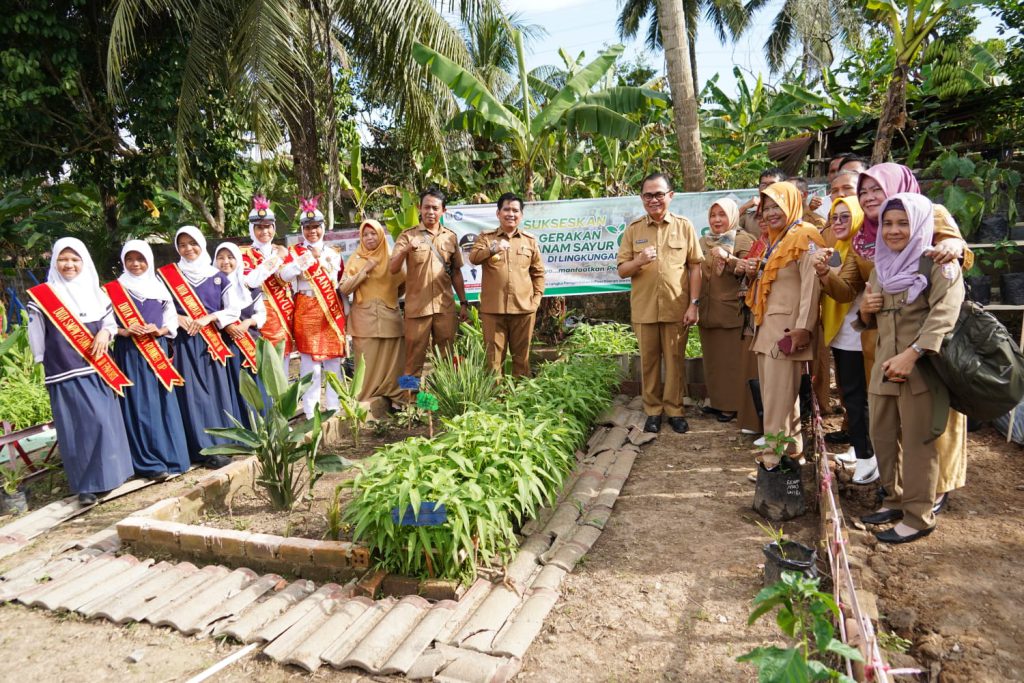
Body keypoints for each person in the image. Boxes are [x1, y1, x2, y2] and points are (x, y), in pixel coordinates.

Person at [816, 163, 972, 512]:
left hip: (930, 342)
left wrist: (953, 246)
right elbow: (848, 290)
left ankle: (938, 487)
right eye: (864, 192)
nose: (869, 197)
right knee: (896, 425)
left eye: (876, 190)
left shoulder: (928, 212)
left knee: (935, 421)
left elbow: (957, 255)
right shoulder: (862, 236)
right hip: (882, 343)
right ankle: (901, 491)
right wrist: (827, 276)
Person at [857, 194, 964, 543]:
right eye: (888, 223)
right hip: (884, 365)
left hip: (919, 369)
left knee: (919, 443)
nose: (894, 230)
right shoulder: (881, 267)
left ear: (919, 223)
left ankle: (919, 516)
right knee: (883, 436)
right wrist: (865, 310)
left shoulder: (938, 263)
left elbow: (945, 313)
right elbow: (869, 319)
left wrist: (914, 353)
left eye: (903, 222)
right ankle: (895, 498)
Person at [27, 238, 135, 504]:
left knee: (104, 420)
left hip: (98, 366)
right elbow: (36, 335)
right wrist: (43, 362)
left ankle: (114, 475)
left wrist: (105, 333)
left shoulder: (96, 292)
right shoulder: (43, 296)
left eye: (75, 259)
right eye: (63, 259)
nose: (69, 265)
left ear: (83, 262)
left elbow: (110, 322)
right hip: (64, 371)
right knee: (78, 428)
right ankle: (86, 485)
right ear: (54, 262)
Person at [738, 182, 824, 466]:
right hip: (769, 329)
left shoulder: (804, 236)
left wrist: (803, 329)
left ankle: (771, 460)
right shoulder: (777, 239)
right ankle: (793, 453)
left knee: (776, 400)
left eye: (778, 206)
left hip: (787, 332)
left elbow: (811, 287)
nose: (771, 212)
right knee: (782, 397)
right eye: (767, 207)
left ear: (792, 204)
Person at [617, 173, 703, 434]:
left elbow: (695, 267)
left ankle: (675, 410)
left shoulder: (684, 226)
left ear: (670, 196)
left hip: (677, 308)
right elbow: (622, 270)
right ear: (642, 198)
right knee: (649, 362)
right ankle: (653, 411)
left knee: (676, 360)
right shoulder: (633, 229)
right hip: (644, 308)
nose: (653, 200)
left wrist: (694, 304)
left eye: (658, 194)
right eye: (648, 195)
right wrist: (639, 260)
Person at [105, 240, 190, 481]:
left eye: (140, 259)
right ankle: (149, 463)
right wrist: (124, 330)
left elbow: (171, 320)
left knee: (164, 401)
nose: (135, 264)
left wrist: (159, 331)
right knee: (140, 404)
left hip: (157, 350)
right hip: (129, 352)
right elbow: (107, 324)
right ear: (123, 261)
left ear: (149, 260)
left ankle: (173, 457)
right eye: (130, 259)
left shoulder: (159, 287)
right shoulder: (113, 289)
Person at [158, 226, 238, 469]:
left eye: (192, 243)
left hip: (210, 342)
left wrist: (209, 318)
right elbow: (159, 305)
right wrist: (176, 318)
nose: (188, 248)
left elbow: (232, 310)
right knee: (190, 394)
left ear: (202, 244)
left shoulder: (217, 276)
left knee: (214, 392)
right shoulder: (166, 276)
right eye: (182, 245)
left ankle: (221, 445)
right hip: (182, 343)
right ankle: (197, 447)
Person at [815, 198, 876, 482]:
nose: (838, 223)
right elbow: (841, 291)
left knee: (859, 397)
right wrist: (825, 273)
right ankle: (861, 450)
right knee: (851, 395)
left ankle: (866, 455)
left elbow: (850, 293)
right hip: (842, 333)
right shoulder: (842, 247)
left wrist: (826, 274)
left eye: (844, 217)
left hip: (859, 335)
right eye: (834, 217)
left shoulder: (865, 249)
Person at [279, 197, 347, 419]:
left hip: (330, 310)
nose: (312, 232)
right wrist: (306, 261)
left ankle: (335, 408)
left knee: (333, 363)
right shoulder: (294, 252)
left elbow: (339, 284)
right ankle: (311, 412)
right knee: (310, 366)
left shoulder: (334, 254)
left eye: (316, 227)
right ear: (302, 230)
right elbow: (284, 275)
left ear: (323, 228)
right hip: (306, 309)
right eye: (307, 228)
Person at [389, 189, 469, 377]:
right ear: (419, 208)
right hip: (417, 310)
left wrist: (464, 303)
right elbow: (393, 268)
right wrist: (406, 249)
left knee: (447, 357)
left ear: (443, 211)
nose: (430, 212)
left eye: (435, 208)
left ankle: (444, 400)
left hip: (445, 308)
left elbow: (456, 272)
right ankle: (409, 400)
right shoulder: (407, 236)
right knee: (412, 359)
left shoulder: (450, 237)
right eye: (426, 207)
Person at [469, 192, 546, 377]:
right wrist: (494, 247)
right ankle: (496, 400)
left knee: (522, 359)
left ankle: (521, 399)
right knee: (493, 361)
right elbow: (474, 258)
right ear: (498, 213)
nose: (510, 214)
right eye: (506, 209)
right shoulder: (486, 238)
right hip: (493, 310)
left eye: (515, 210)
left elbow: (538, 273)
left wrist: (535, 301)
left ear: (521, 215)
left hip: (523, 309)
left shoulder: (530, 241)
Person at [697, 198, 754, 423]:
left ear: (732, 216)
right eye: (713, 215)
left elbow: (750, 271)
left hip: (732, 312)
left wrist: (727, 258)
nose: (717, 220)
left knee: (732, 362)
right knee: (713, 361)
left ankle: (733, 405)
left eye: (722, 214)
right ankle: (718, 401)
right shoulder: (703, 241)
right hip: (707, 311)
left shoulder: (743, 239)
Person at [339, 219, 406, 404]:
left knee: (394, 362)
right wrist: (365, 271)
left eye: (373, 233)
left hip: (390, 317)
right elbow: (344, 289)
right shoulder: (356, 258)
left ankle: (398, 398)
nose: (369, 237)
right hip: (364, 320)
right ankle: (365, 401)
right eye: (365, 234)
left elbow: (403, 285)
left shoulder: (392, 257)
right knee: (366, 364)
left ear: (381, 235)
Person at [216, 242, 269, 422]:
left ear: (238, 259)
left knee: (256, 384)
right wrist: (226, 325)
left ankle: (264, 425)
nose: (226, 262)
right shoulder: (211, 287)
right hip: (225, 346)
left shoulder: (249, 285)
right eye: (220, 257)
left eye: (230, 257)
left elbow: (261, 314)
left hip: (250, 342)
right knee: (234, 386)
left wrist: (247, 322)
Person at [241, 195, 293, 359]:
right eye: (259, 227)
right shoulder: (244, 254)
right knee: (260, 361)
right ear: (252, 229)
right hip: (258, 312)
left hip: (283, 311)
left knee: (283, 361)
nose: (265, 231)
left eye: (268, 227)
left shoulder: (283, 251)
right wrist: (277, 258)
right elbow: (251, 281)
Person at [739, 168, 787, 237]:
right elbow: (728, 226)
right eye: (764, 185)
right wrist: (744, 207)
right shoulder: (749, 217)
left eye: (772, 184)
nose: (767, 188)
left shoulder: (790, 213)